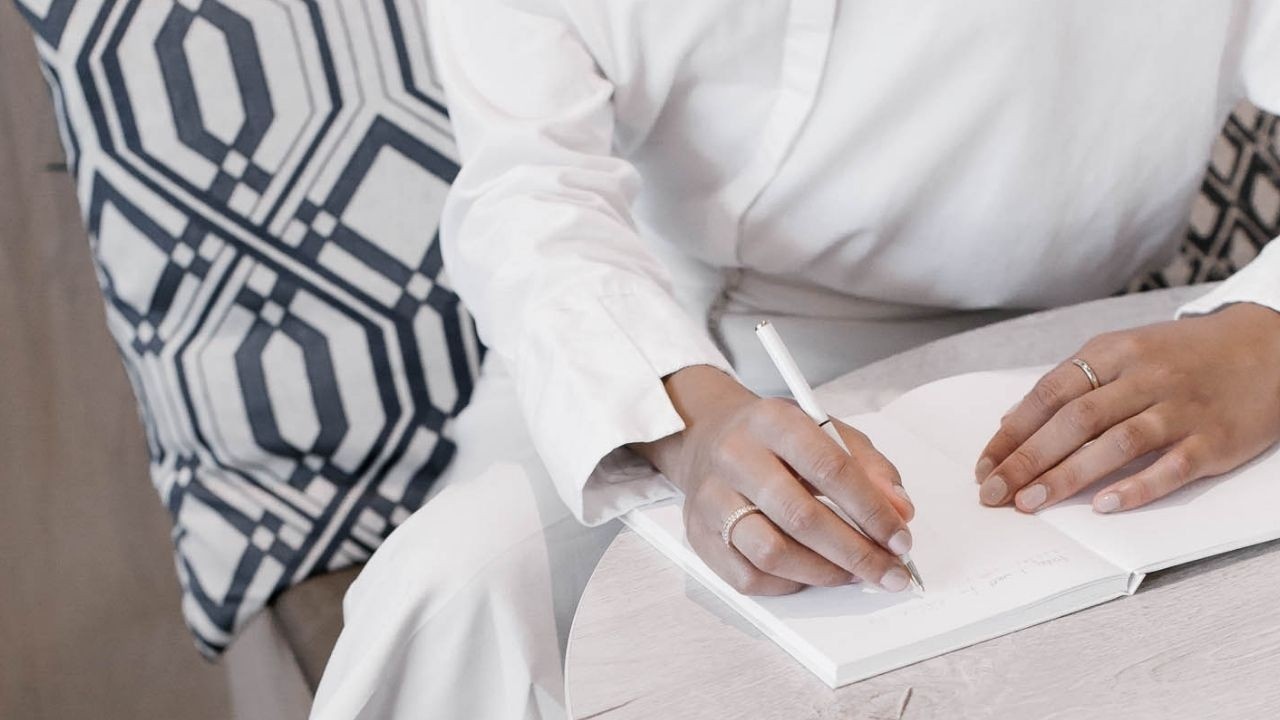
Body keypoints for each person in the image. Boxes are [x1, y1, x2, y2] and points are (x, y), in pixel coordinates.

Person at [311, 1, 1280, 717]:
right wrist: (689, 429)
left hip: (1086, 348)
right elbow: (528, 195)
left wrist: (1263, 332)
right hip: (674, 344)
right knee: (458, 584)